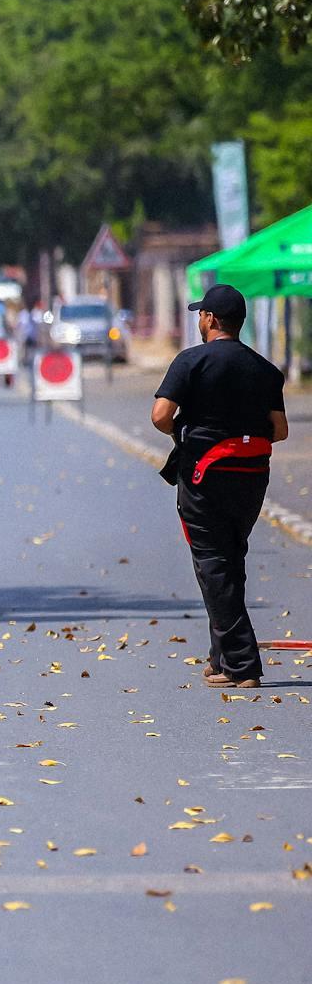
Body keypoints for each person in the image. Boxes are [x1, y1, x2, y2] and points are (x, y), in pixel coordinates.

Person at [152, 284, 290, 689]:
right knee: (230, 561)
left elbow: (160, 415)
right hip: (252, 479)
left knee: (213, 564)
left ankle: (244, 665)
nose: (199, 320)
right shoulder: (266, 370)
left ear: (210, 319)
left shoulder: (191, 362)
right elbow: (279, 431)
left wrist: (186, 432)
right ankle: (222, 658)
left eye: (200, 314)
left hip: (204, 477)